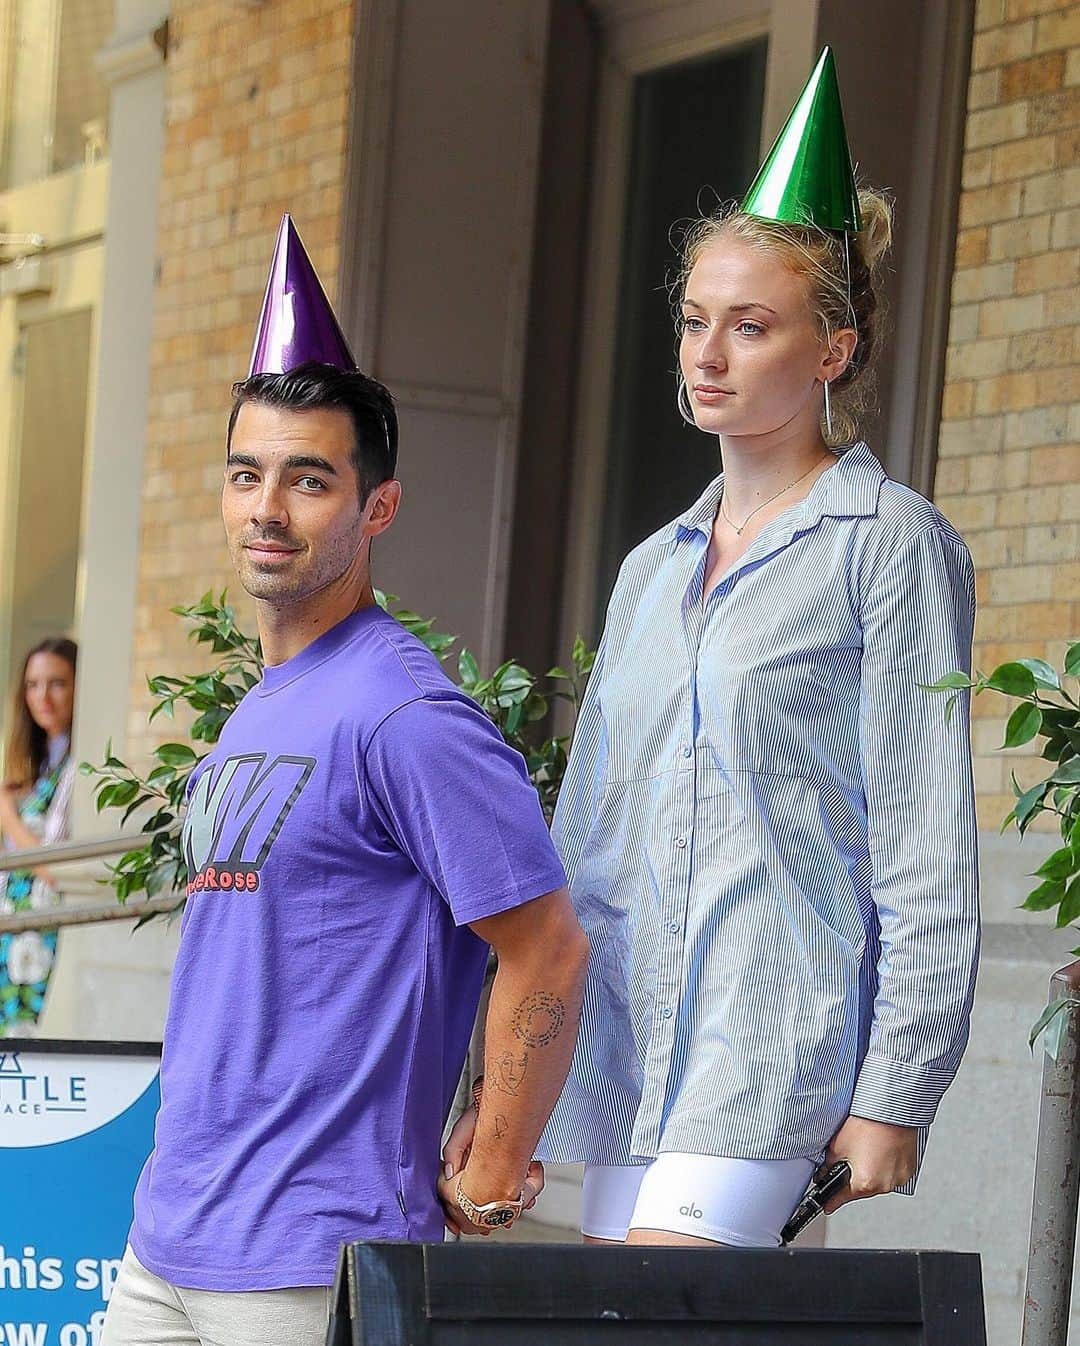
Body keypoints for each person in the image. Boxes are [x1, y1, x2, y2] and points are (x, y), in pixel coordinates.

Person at [102, 217, 588, 1346]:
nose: (267, 508)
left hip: (311, 1254)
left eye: (308, 479)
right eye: (247, 474)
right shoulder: (267, 699)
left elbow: (548, 941)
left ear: (378, 507)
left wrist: (496, 1157)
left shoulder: (404, 710)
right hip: (169, 1238)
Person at [532, 48, 980, 1248]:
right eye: (693, 321)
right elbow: (590, 835)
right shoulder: (649, 568)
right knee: (626, 1326)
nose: (707, 353)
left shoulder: (887, 545)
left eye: (750, 325)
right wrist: (524, 1062)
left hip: (776, 1037)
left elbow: (929, 840)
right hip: (626, 1055)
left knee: (657, 1315)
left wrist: (898, 1088)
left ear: (831, 353)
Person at [0, 636, 77, 1036]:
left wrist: (8, 817)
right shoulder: (39, 766)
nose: (43, 696)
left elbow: (55, 867)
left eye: (57, 683)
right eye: (33, 684)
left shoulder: (77, 765)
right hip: (12, 933)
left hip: (41, 935)